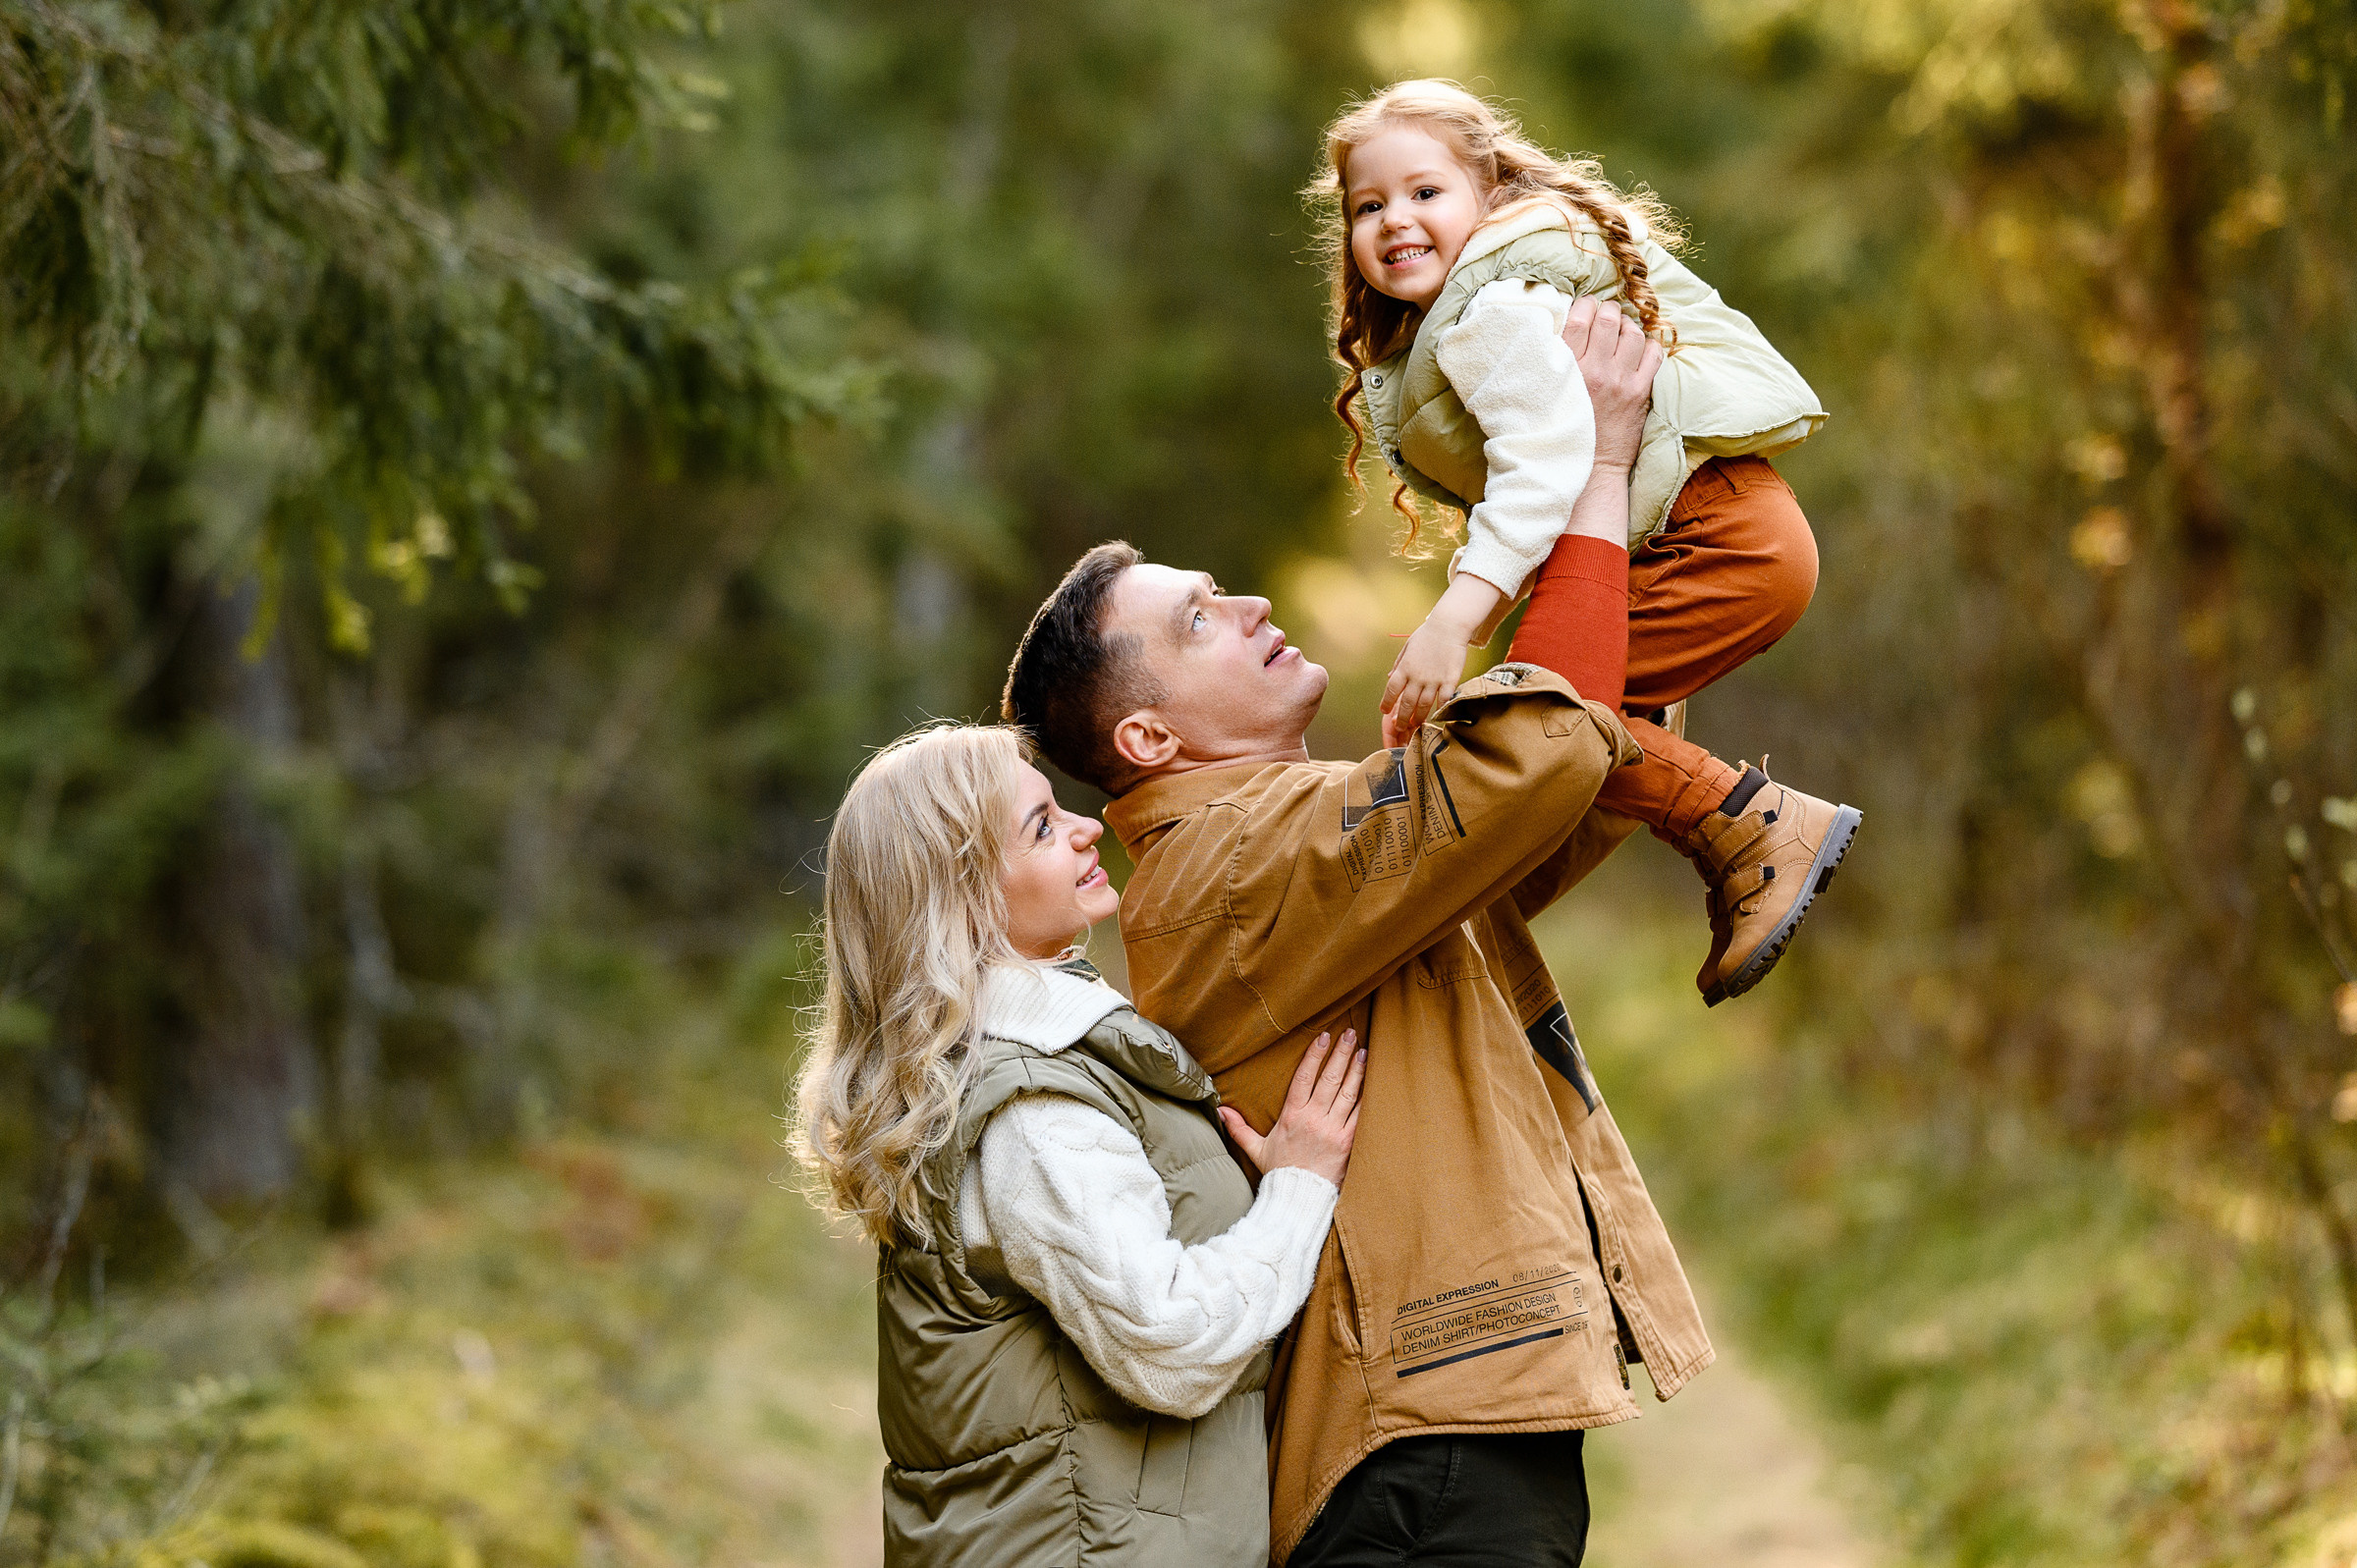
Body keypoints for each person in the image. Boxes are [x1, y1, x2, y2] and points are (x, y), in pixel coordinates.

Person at [1002, 302, 1702, 1566]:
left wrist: (1642, 516)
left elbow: (1556, 799)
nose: (1255, 602)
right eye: (1201, 618)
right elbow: (1537, 758)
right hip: (1421, 1454)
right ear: (1147, 741)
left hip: (1447, 1424)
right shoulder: (1234, 863)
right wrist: (1590, 466)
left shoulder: (1292, 846)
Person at [1317, 79, 1861, 1005]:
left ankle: (1745, 820)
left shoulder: (1489, 311)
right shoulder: (1485, 295)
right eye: (1369, 205)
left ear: (1487, 189)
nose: (1394, 219)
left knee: (1524, 738)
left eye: (1424, 192)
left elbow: (1548, 458)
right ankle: (1484, 949)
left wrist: (1458, 617)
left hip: (1714, 538)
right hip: (1725, 528)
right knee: (1527, 751)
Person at [790, 724, 1367, 1567]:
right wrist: (1300, 1187)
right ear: (966, 898)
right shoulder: (1032, 1111)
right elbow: (1166, 1342)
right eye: (1040, 826)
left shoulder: (1017, 1066)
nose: (1085, 826)